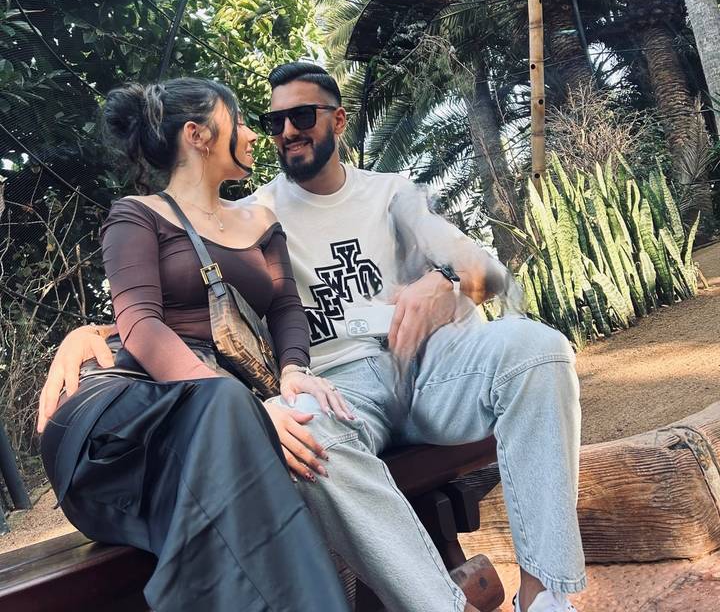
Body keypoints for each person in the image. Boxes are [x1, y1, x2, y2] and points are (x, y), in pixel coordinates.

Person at [40, 64, 586, 612]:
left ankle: (544, 597)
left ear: (338, 120)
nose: (285, 132)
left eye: (301, 116)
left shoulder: (390, 194)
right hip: (334, 387)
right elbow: (175, 296)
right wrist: (90, 333)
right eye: (272, 121)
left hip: (428, 370)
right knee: (302, 433)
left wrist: (443, 281)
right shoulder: (253, 212)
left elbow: (488, 274)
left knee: (538, 350)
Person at [38, 77, 350, 612]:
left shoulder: (260, 222)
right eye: (240, 121)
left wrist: (294, 370)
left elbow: (285, 309)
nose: (254, 135)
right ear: (198, 135)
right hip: (130, 420)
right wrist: (249, 412)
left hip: (214, 417)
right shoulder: (137, 214)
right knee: (229, 411)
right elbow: (140, 323)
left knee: (259, 448)